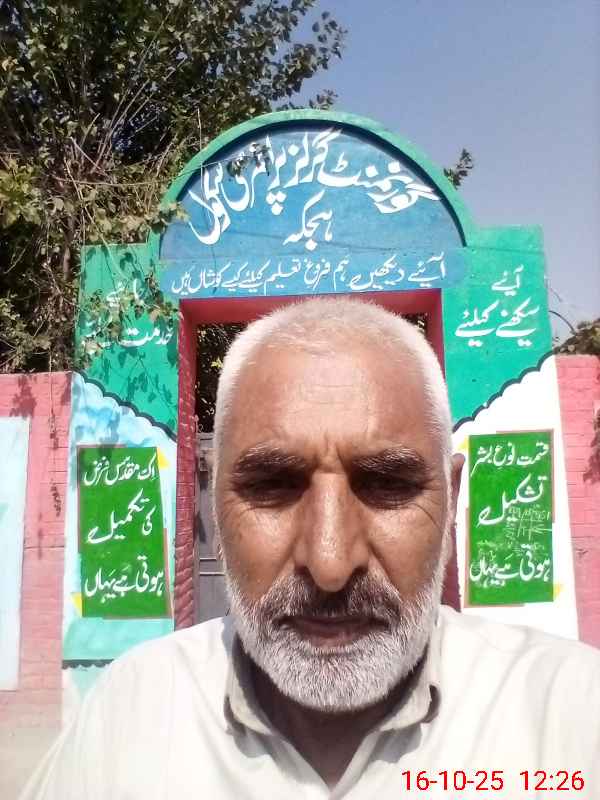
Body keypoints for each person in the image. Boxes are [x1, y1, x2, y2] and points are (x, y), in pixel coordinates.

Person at [22, 297, 600, 799]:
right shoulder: (130, 716)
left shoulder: (568, 720)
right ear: (214, 507)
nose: (329, 564)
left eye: (387, 485)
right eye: (272, 486)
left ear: (451, 502)